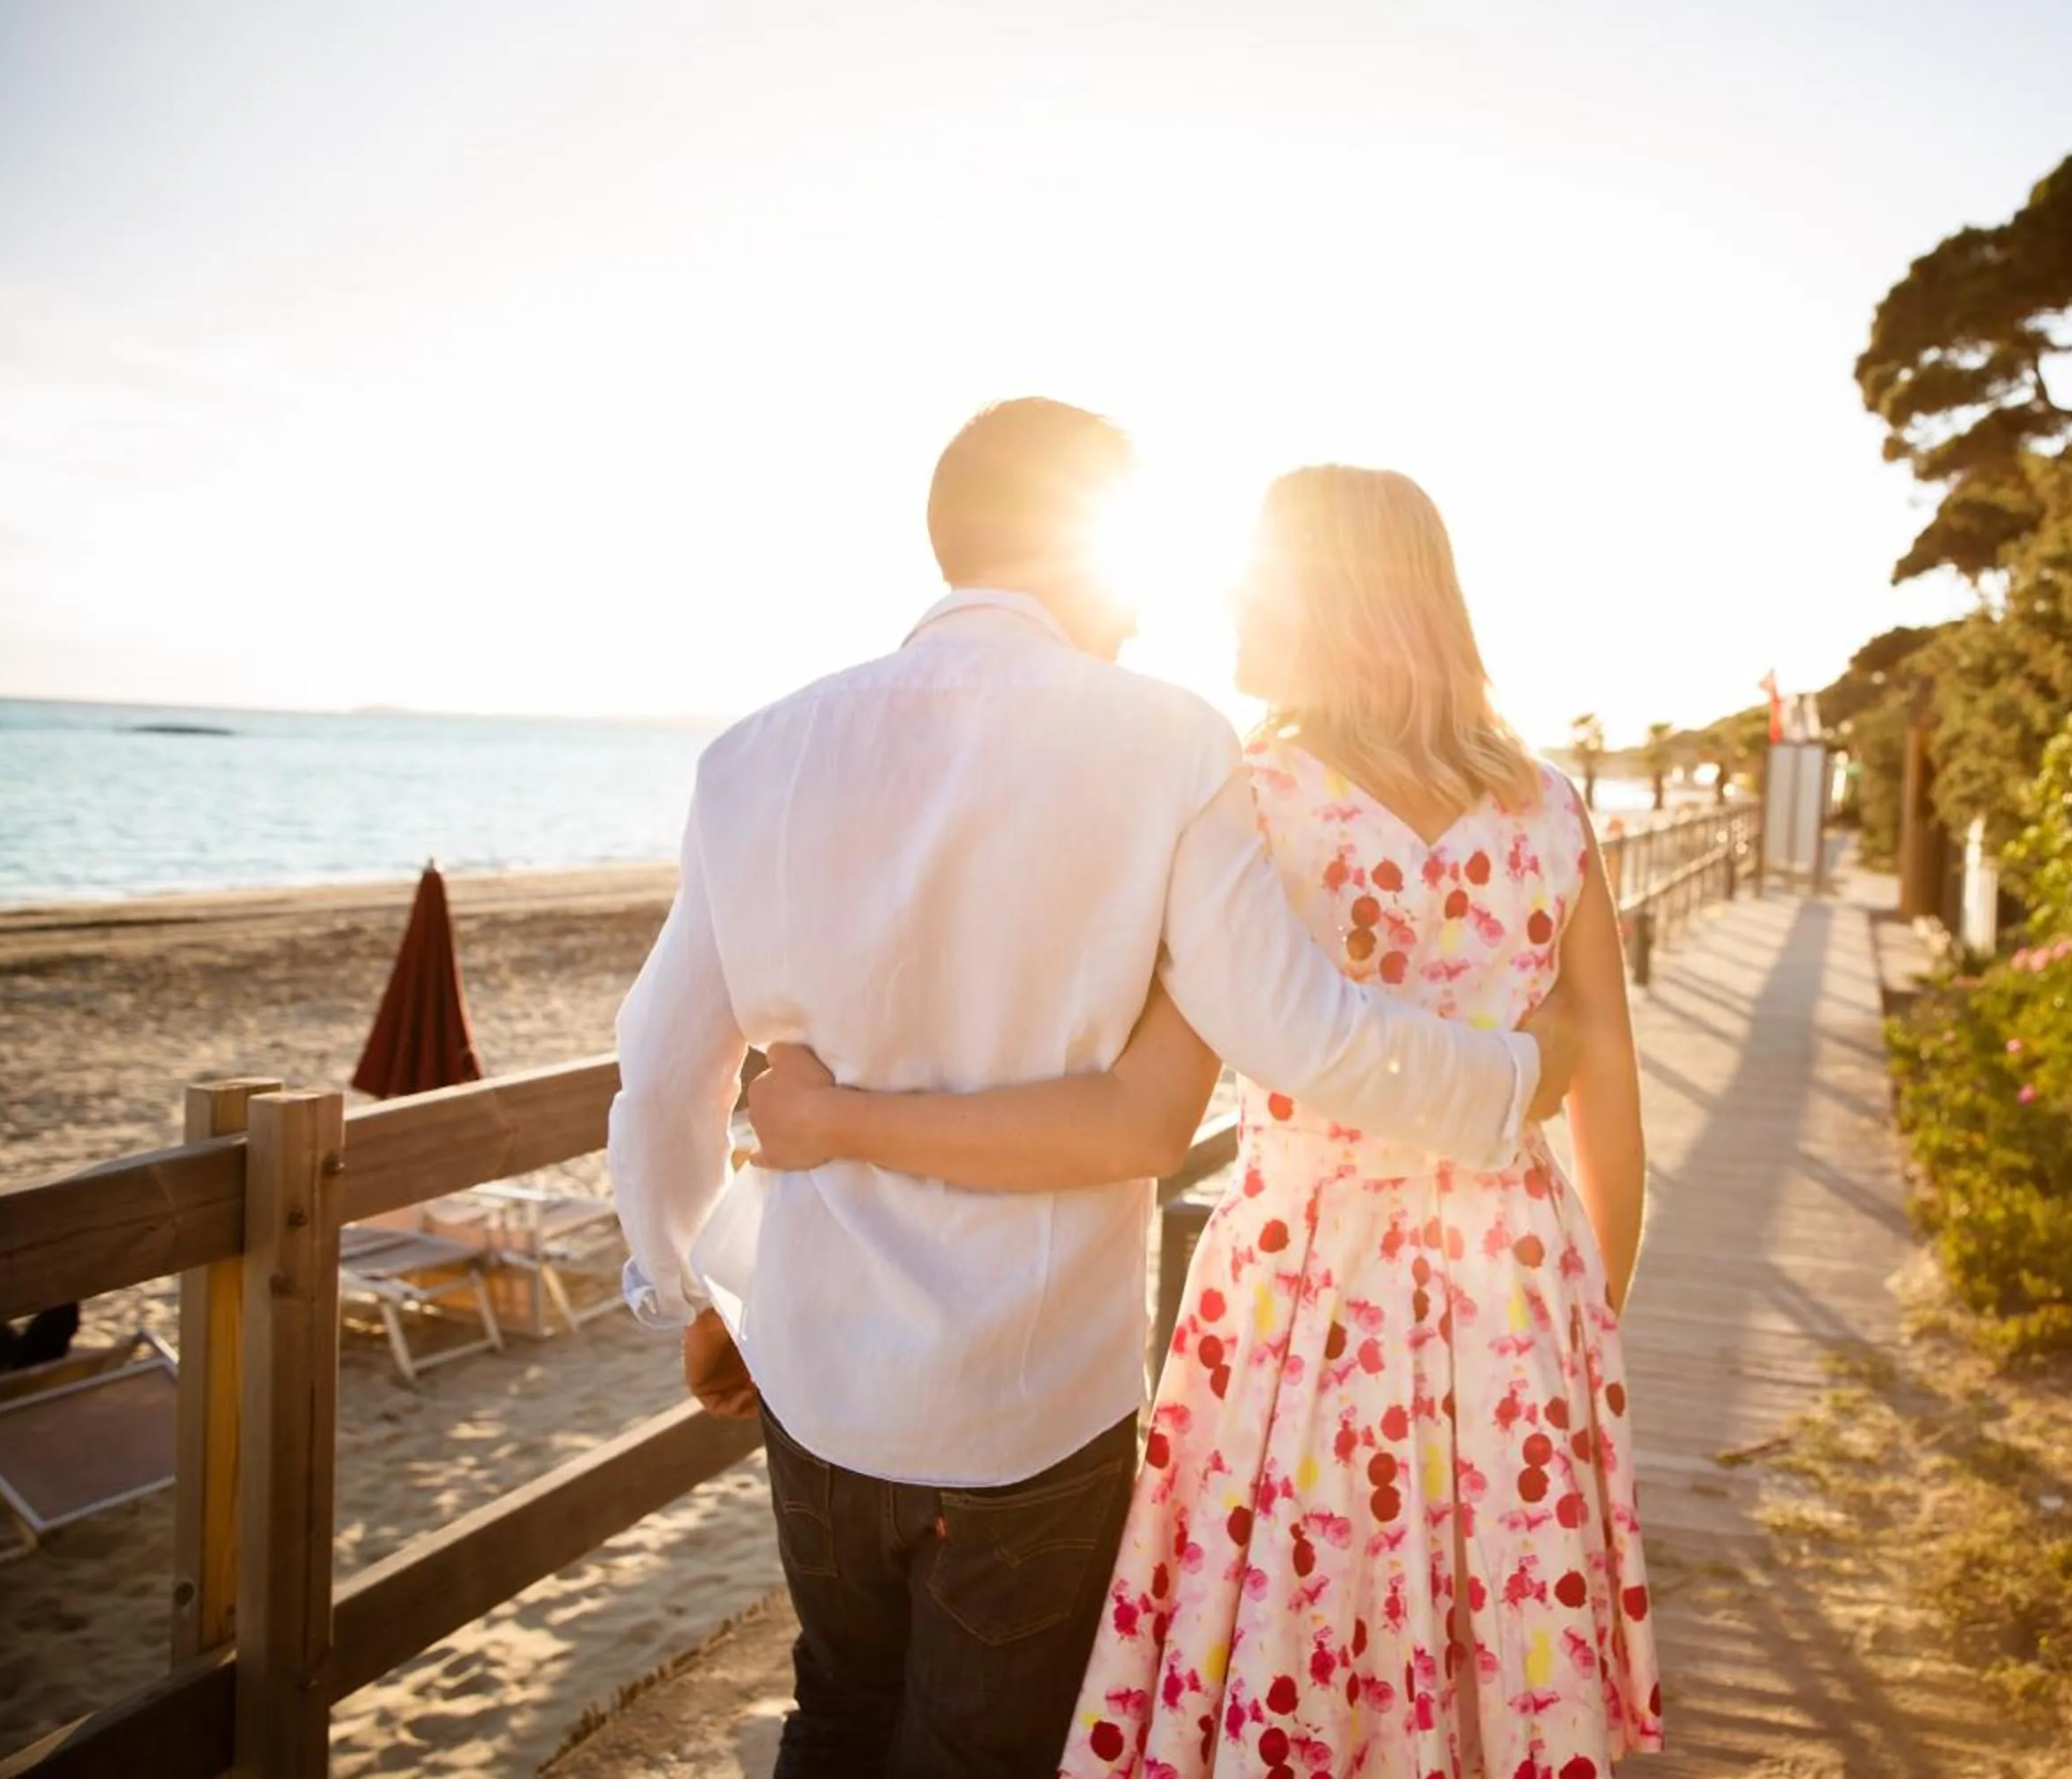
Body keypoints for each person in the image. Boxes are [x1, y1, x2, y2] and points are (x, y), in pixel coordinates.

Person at [606, 401, 1579, 1779]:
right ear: (1106, 557)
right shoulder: (1170, 744)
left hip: (820, 1368)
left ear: (949, 541)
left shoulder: (755, 754)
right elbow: (1299, 1033)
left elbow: (660, 1078)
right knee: (985, 1753)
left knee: (835, 1713)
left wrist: (693, 1293)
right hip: (1033, 1394)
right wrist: (1522, 1077)